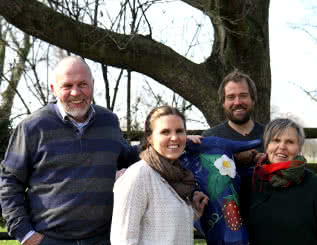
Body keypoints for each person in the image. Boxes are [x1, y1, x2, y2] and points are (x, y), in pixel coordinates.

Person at [0, 56, 139, 245]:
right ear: (53, 89)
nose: (75, 92)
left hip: (103, 239)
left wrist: (172, 142)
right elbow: (9, 182)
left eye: (83, 84)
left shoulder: (109, 121)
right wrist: (25, 234)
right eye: (67, 86)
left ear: (92, 84)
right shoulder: (32, 127)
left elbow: (129, 157)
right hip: (50, 240)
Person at [110, 105, 209, 245]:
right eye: (165, 132)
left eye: (179, 131)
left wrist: (193, 211)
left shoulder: (179, 175)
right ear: (150, 138)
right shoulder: (139, 175)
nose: (174, 137)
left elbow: (164, 227)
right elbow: (123, 240)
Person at [247, 118, 317, 245]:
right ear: (266, 146)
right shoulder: (253, 182)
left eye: (290, 142)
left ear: (299, 148)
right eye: (276, 140)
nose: (281, 146)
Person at [202, 69, 265, 224]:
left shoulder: (271, 137)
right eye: (231, 97)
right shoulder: (210, 138)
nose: (237, 102)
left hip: (267, 224)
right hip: (227, 227)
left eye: (243, 95)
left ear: (253, 99)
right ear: (223, 102)